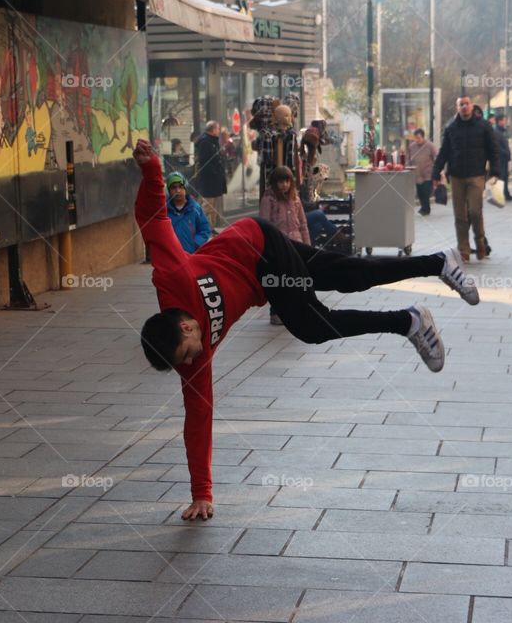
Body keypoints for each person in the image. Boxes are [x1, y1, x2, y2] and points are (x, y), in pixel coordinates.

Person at [133, 138, 480, 520]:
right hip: (268, 274)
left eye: (189, 351)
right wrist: (202, 492)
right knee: (350, 274)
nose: (195, 358)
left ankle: (408, 321)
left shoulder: (171, 278)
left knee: (312, 326)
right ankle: (437, 266)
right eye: (185, 361)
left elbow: (153, 220)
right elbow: (197, 420)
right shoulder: (192, 362)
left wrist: (151, 170)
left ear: (185, 326)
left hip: (257, 244)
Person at [431, 96, 500, 262]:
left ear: (471, 106)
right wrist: (436, 173)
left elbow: (493, 150)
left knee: (475, 212)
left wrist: (495, 171)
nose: (464, 107)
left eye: (467, 104)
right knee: (460, 215)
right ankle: (464, 249)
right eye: (461, 104)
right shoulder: (451, 128)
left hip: (476, 175)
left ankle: (480, 242)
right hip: (456, 177)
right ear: (457, 108)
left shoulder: (483, 126)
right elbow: (444, 153)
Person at [260, 166, 311, 325]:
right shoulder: (269, 199)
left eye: (287, 181)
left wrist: (308, 247)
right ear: (275, 183)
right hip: (278, 246)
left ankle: (294, 311)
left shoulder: (295, 199)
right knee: (278, 281)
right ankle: (275, 312)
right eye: (281, 181)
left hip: (297, 244)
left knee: (296, 279)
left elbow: (303, 224)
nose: (284, 185)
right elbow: (264, 225)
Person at [166, 171, 211, 254]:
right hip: (172, 255)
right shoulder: (165, 211)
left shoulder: (195, 208)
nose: (178, 190)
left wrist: (196, 243)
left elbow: (205, 229)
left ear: (185, 189)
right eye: (174, 188)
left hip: (191, 255)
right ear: (169, 191)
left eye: (181, 187)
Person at [193, 121, 227, 230]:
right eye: (217, 129)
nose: (219, 131)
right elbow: (205, 162)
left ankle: (210, 228)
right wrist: (215, 172)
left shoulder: (211, 141)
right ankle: (202, 227)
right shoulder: (205, 142)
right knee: (207, 206)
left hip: (212, 180)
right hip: (208, 180)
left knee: (211, 206)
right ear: (212, 130)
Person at [408, 128, 438, 215]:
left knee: (425, 191)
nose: (417, 140)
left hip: (428, 173)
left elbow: (436, 156)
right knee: (420, 191)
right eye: (415, 138)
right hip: (417, 173)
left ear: (423, 137)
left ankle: (425, 209)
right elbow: (409, 158)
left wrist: (437, 169)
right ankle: (424, 207)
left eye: (419, 138)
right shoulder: (412, 146)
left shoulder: (430, 145)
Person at [491, 114, 512, 201]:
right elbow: (496, 146)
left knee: (504, 176)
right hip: (500, 158)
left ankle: (505, 193)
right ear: (500, 121)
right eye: (504, 120)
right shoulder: (496, 132)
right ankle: (498, 196)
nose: (506, 122)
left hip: (503, 158)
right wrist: (505, 153)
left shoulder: (501, 131)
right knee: (501, 177)